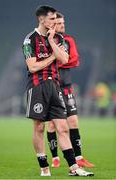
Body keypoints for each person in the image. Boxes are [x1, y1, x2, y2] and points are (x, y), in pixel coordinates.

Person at [22, 5, 94, 177]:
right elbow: (32, 67)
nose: (56, 22)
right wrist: (53, 56)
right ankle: (44, 166)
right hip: (37, 86)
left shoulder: (59, 38)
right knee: (39, 127)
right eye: (52, 19)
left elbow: (64, 58)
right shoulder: (29, 40)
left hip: (55, 86)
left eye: (56, 19)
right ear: (42, 20)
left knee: (62, 127)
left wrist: (52, 42)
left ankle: (74, 168)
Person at [47, 12, 94, 168]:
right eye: (59, 23)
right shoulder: (46, 42)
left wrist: (59, 59)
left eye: (63, 23)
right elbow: (45, 63)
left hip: (66, 86)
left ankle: (79, 157)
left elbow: (74, 60)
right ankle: (55, 158)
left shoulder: (69, 40)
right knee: (53, 125)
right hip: (52, 86)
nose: (62, 25)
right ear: (52, 24)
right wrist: (61, 58)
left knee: (73, 121)